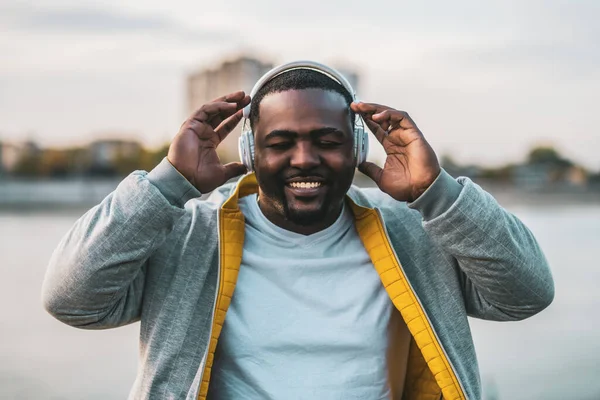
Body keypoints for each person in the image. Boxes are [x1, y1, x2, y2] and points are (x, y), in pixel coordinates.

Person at [42, 61, 555, 400]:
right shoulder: (186, 233)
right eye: (280, 141)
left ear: (356, 148)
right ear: (249, 152)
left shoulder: (417, 230)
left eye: (327, 140)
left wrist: (436, 193)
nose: (303, 159)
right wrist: (165, 186)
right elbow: (72, 301)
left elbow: (525, 295)